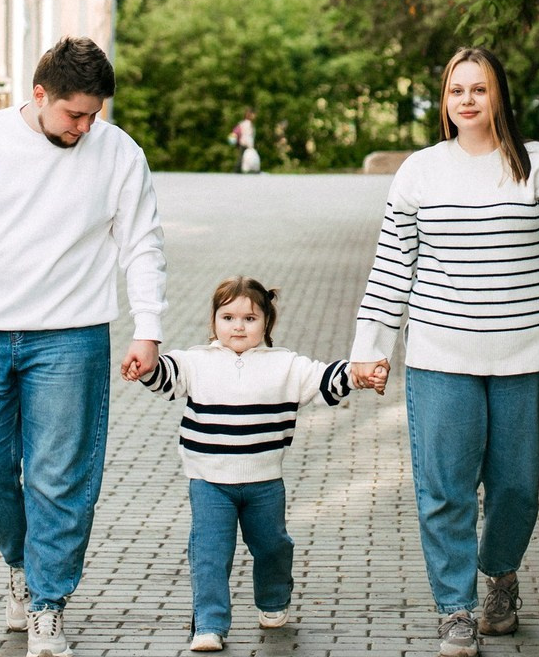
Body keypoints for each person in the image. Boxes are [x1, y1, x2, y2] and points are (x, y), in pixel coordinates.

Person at [0, 36, 167, 657]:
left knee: (60, 477)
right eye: (73, 114)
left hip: (72, 336)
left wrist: (148, 327)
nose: (84, 126)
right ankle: (23, 558)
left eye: (94, 114)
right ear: (38, 95)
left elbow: (143, 244)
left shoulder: (118, 154)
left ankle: (47, 601)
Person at [349, 47, 539, 657]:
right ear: (444, 101)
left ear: (499, 97)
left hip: (528, 358)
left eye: (478, 89)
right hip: (441, 359)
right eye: (456, 90)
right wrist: (369, 348)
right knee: (445, 488)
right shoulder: (420, 172)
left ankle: (500, 571)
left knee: (517, 486)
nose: (466, 100)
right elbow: (391, 266)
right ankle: (454, 609)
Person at [127, 275, 385, 652]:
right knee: (210, 552)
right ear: (214, 321)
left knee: (272, 546)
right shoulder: (195, 361)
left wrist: (359, 372)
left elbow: (326, 379)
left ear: (266, 323)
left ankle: (273, 600)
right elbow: (164, 375)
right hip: (209, 482)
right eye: (228, 317)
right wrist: (144, 366)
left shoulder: (285, 366)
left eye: (250, 318)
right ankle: (210, 625)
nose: (238, 326)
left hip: (265, 483)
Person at [229, 108, 259, 173]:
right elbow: (235, 133)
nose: (255, 116)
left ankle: (254, 171)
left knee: (246, 158)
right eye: (254, 114)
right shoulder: (244, 124)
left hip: (248, 145)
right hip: (244, 144)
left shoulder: (248, 124)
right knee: (241, 159)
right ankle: (236, 171)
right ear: (250, 115)